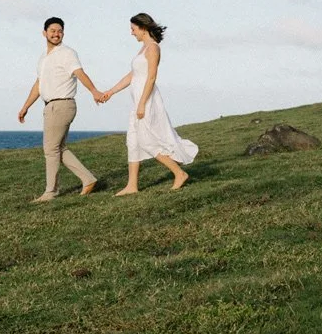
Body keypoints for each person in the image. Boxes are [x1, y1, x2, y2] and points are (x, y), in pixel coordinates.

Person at [98, 13, 198, 195]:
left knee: (147, 141)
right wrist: (110, 92)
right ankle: (132, 186)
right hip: (137, 101)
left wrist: (142, 104)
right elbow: (132, 75)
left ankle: (179, 173)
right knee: (133, 141)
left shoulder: (153, 48)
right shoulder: (142, 49)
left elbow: (151, 77)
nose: (131, 33)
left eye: (133, 29)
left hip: (147, 100)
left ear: (143, 28)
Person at [17, 17, 102, 202]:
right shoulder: (43, 58)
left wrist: (94, 91)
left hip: (62, 104)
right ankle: (88, 179)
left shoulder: (67, 53)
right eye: (53, 30)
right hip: (51, 105)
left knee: (51, 149)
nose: (56, 34)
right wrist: (25, 107)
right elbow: (39, 84)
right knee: (58, 148)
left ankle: (51, 191)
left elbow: (80, 73)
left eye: (60, 31)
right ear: (44, 33)